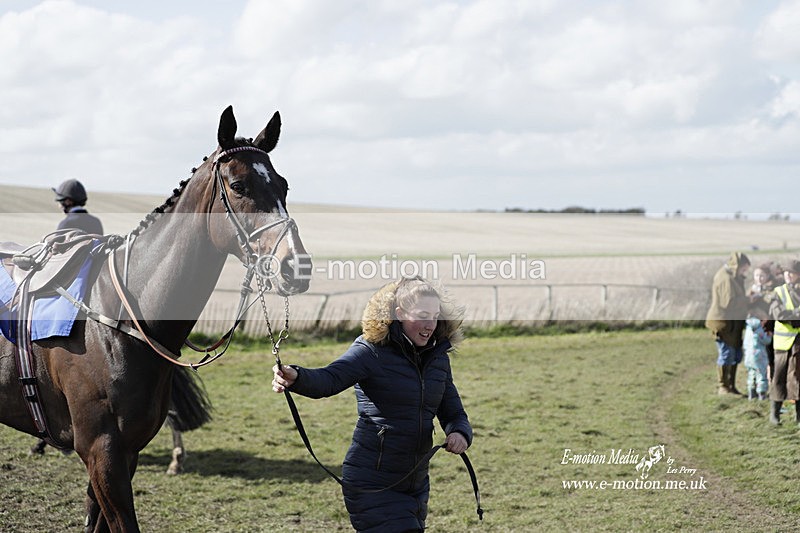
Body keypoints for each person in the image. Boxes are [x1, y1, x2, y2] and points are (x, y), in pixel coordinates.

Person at [272, 277, 473, 532]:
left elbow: (452, 410)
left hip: (415, 484)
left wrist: (459, 432)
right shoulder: (371, 350)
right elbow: (330, 379)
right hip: (372, 483)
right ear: (399, 314)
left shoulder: (437, 358)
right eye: (422, 315)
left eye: (434, 316)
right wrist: (297, 377)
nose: (429, 325)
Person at [705, 252, 751, 395]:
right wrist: (749, 299)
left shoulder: (733, 277)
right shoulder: (725, 278)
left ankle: (731, 386)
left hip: (733, 324)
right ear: (737, 266)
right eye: (744, 269)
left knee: (736, 354)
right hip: (723, 324)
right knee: (727, 354)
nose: (745, 272)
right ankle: (723, 386)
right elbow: (728, 303)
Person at [767, 260, 800, 425]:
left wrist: (791, 315)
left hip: (798, 343)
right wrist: (796, 313)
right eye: (786, 272)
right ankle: (774, 415)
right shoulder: (777, 292)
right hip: (781, 344)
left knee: (797, 379)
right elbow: (779, 315)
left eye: (792, 272)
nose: (788, 275)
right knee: (778, 377)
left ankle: (798, 416)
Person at [743, 311, 771, 400]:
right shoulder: (758, 329)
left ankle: (751, 393)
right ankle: (762, 394)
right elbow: (766, 340)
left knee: (751, 373)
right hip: (758, 355)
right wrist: (770, 336)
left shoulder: (748, 328)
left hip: (748, 355)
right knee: (761, 374)